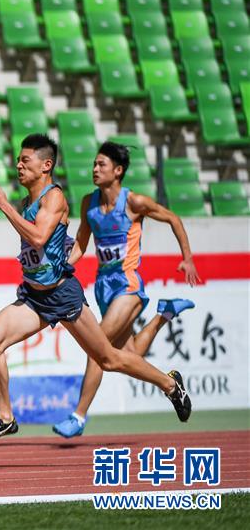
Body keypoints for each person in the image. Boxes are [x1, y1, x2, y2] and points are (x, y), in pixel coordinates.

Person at [0, 134, 191, 444]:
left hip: (64, 297)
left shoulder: (54, 198)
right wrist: (62, 255)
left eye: (26, 160)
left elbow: (37, 238)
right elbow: (63, 244)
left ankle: (170, 386)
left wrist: (5, 208)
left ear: (46, 165)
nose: (18, 165)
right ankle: (6, 418)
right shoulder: (30, 202)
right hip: (35, 297)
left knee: (108, 359)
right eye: (18, 160)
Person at [52, 141, 199, 438]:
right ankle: (164, 316)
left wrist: (187, 258)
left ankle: (79, 415)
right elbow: (81, 241)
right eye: (93, 164)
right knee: (129, 353)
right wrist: (63, 266)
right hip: (103, 288)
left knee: (98, 348)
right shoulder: (88, 204)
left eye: (101, 165)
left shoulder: (135, 203)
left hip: (128, 285)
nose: (94, 169)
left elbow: (173, 218)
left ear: (118, 171)